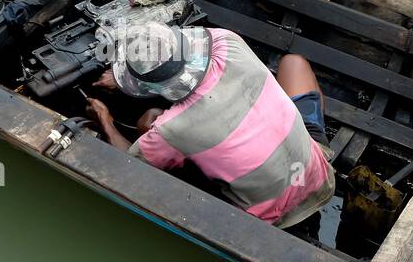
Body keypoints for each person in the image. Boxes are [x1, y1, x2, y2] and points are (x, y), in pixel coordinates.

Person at [85, 22, 334, 229]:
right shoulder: (228, 42)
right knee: (294, 63)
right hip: (316, 171)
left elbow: (130, 168)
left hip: (271, 216)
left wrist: (105, 120)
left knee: (148, 121)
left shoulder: (170, 130)